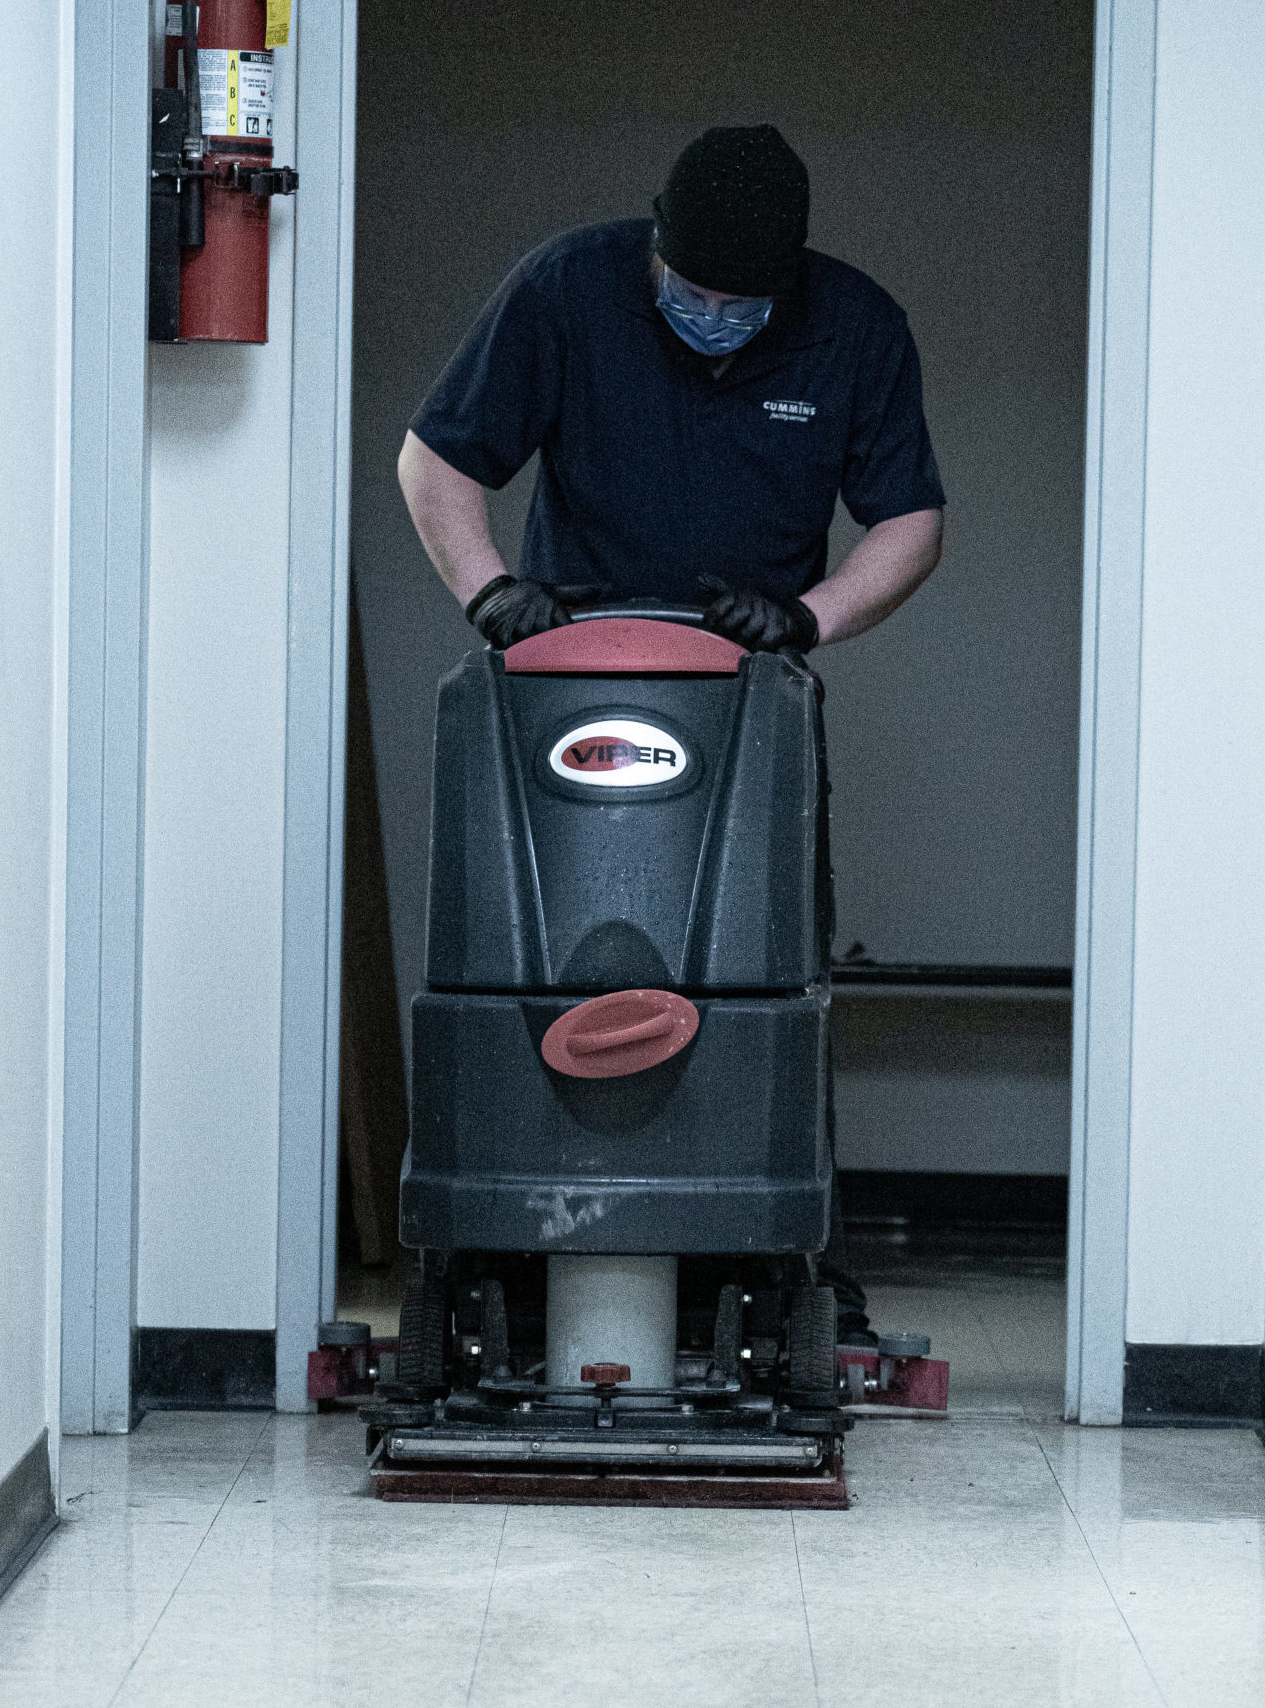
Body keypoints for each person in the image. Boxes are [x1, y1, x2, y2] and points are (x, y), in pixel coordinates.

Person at [398, 124, 946, 1343]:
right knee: (543, 962)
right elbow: (433, 462)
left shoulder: (855, 325)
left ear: (786, 284)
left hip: (748, 705)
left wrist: (807, 617)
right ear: (653, 240)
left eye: (736, 302)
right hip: (563, 689)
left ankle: (794, 1250)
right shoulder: (566, 289)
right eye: (687, 290)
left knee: (770, 980)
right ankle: (517, 1234)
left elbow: (910, 522)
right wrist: (491, 596)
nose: (709, 314)